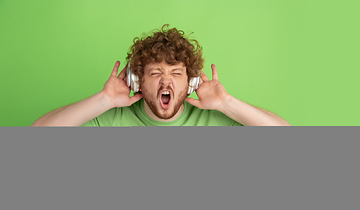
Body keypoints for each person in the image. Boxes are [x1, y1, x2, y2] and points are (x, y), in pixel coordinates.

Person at [31, 24, 291, 127]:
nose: (166, 80)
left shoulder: (214, 119)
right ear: (137, 82)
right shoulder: (111, 119)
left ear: (190, 82)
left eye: (176, 73)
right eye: (155, 72)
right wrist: (104, 100)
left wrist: (226, 103)